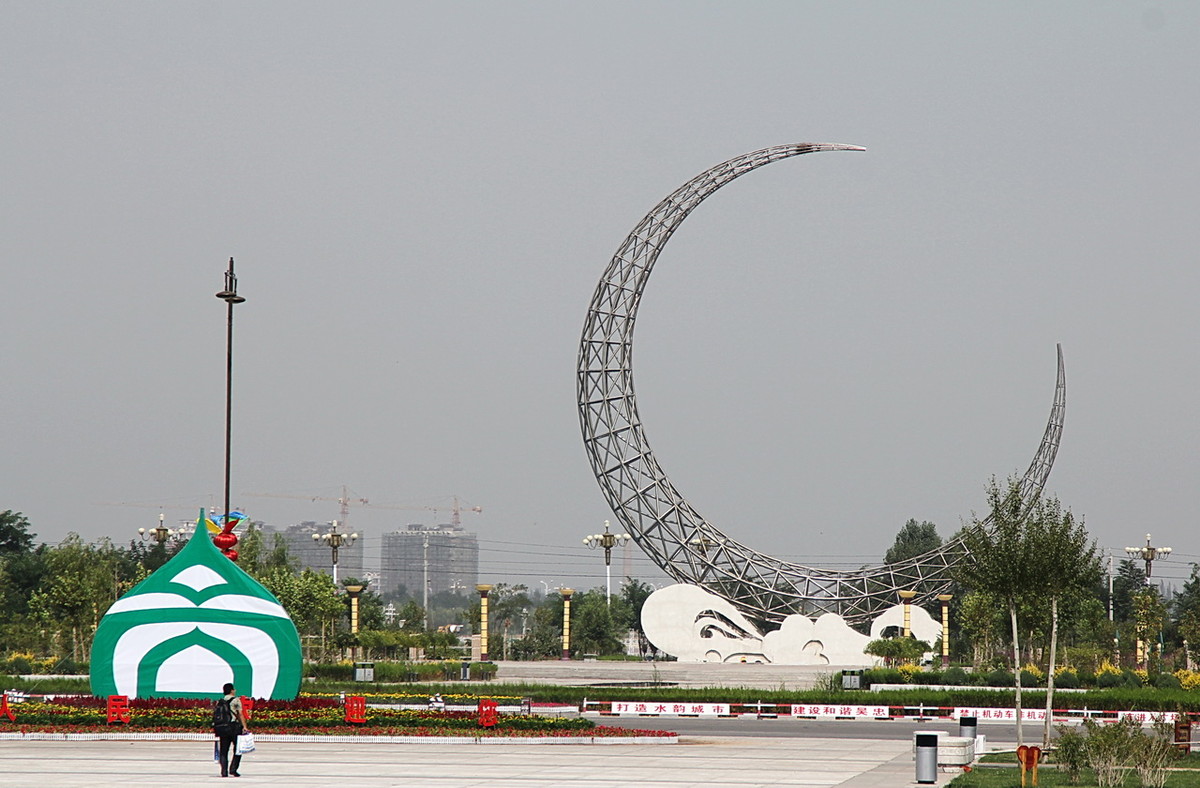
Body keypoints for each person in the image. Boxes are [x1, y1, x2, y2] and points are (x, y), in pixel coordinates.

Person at [214, 682, 249, 778]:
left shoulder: (220, 701)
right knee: (238, 749)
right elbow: (240, 714)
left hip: (222, 728)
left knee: (223, 750)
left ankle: (224, 771)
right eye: (234, 689)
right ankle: (233, 769)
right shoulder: (236, 700)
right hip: (233, 727)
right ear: (232, 691)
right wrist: (245, 726)